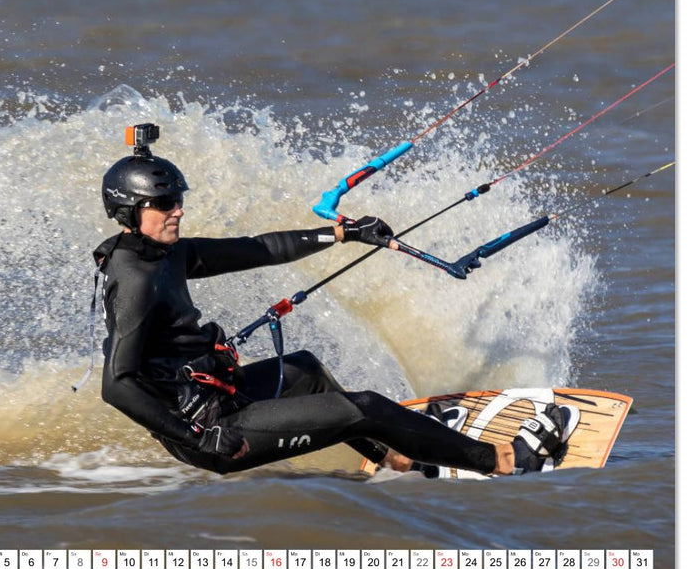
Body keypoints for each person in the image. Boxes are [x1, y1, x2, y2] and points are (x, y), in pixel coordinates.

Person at [93, 134, 574, 477]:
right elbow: (117, 385)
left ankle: (399, 459)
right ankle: (503, 461)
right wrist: (197, 439)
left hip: (221, 397)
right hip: (216, 433)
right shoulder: (135, 279)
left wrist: (344, 232)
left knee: (305, 370)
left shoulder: (167, 251)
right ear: (130, 213)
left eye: (177, 198)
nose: (177, 208)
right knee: (362, 407)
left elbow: (261, 248)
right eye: (163, 203)